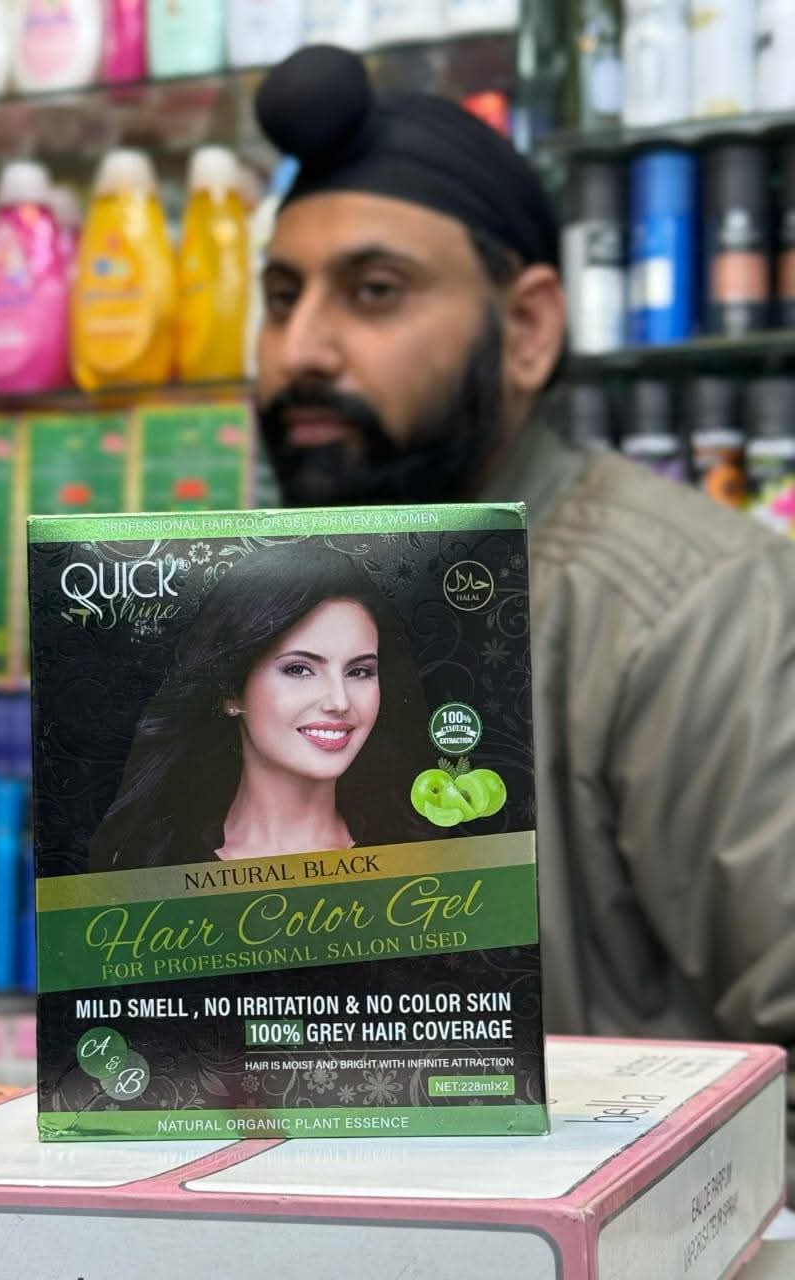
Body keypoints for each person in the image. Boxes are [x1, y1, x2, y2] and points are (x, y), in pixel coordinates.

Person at [252, 47, 795, 1193]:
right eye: (282, 297)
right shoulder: (262, 598)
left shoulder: (686, 607)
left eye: (375, 290)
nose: (301, 351)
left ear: (532, 326)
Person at [89, 542, 432, 871]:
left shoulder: (423, 856)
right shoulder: (152, 864)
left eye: (359, 672)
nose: (339, 702)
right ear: (231, 692)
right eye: (299, 669)